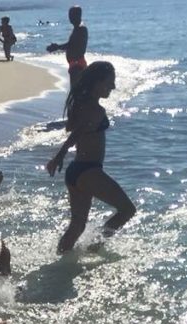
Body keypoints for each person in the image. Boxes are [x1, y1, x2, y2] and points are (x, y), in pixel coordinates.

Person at [45, 62, 135, 254]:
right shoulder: (95, 110)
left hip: (76, 171)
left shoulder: (81, 105)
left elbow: (74, 129)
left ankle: (61, 261)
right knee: (127, 210)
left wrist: (60, 156)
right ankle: (94, 249)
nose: (113, 86)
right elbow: (77, 132)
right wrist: (59, 156)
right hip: (88, 171)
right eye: (109, 82)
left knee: (77, 226)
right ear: (97, 82)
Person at [47, 6, 88, 89]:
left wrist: (56, 47)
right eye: (70, 15)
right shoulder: (78, 28)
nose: (70, 18)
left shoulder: (80, 29)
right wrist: (57, 47)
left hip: (77, 64)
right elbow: (72, 45)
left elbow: (71, 45)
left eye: (72, 15)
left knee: (75, 89)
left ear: (78, 15)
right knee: (76, 89)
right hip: (75, 63)